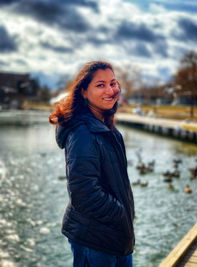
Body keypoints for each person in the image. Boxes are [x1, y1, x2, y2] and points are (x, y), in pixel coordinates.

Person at [49, 61, 135, 267]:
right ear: (84, 92)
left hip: (116, 236)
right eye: (100, 85)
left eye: (113, 83)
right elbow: (84, 192)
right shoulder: (83, 133)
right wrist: (120, 214)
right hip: (95, 240)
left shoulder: (106, 128)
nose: (110, 90)